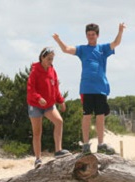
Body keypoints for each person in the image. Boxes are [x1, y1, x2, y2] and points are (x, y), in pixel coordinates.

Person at [53, 23, 126, 155]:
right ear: (86, 35)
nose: (91, 37)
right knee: (86, 116)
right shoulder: (82, 49)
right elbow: (66, 49)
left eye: (93, 34)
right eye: (88, 34)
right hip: (86, 88)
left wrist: (120, 31)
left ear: (97, 35)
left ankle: (101, 144)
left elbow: (116, 43)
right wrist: (58, 40)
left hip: (101, 87)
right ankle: (86, 145)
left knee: (100, 116)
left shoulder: (103, 48)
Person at [27, 47, 71, 169]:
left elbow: (55, 88)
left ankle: (58, 151)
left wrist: (61, 101)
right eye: (48, 59)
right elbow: (30, 90)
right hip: (35, 105)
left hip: (49, 105)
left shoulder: (52, 70)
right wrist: (38, 98)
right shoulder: (35, 71)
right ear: (42, 57)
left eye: (52, 59)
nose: (50, 61)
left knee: (59, 121)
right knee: (37, 132)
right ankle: (38, 159)